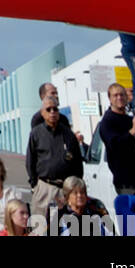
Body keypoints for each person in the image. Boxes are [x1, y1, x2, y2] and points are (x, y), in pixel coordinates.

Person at [25, 98, 82, 229]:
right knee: (39, 228)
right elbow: (30, 161)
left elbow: (78, 163)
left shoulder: (68, 134)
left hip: (66, 189)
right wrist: (35, 185)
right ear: (42, 113)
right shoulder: (36, 133)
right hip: (45, 187)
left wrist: (75, 187)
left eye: (55, 109)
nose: (52, 112)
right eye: (48, 109)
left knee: (67, 227)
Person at [98, 83, 135, 197]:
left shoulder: (130, 118)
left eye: (122, 95)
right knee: (130, 215)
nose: (119, 98)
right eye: (115, 95)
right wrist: (133, 131)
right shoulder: (107, 121)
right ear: (110, 99)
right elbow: (115, 145)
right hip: (127, 183)